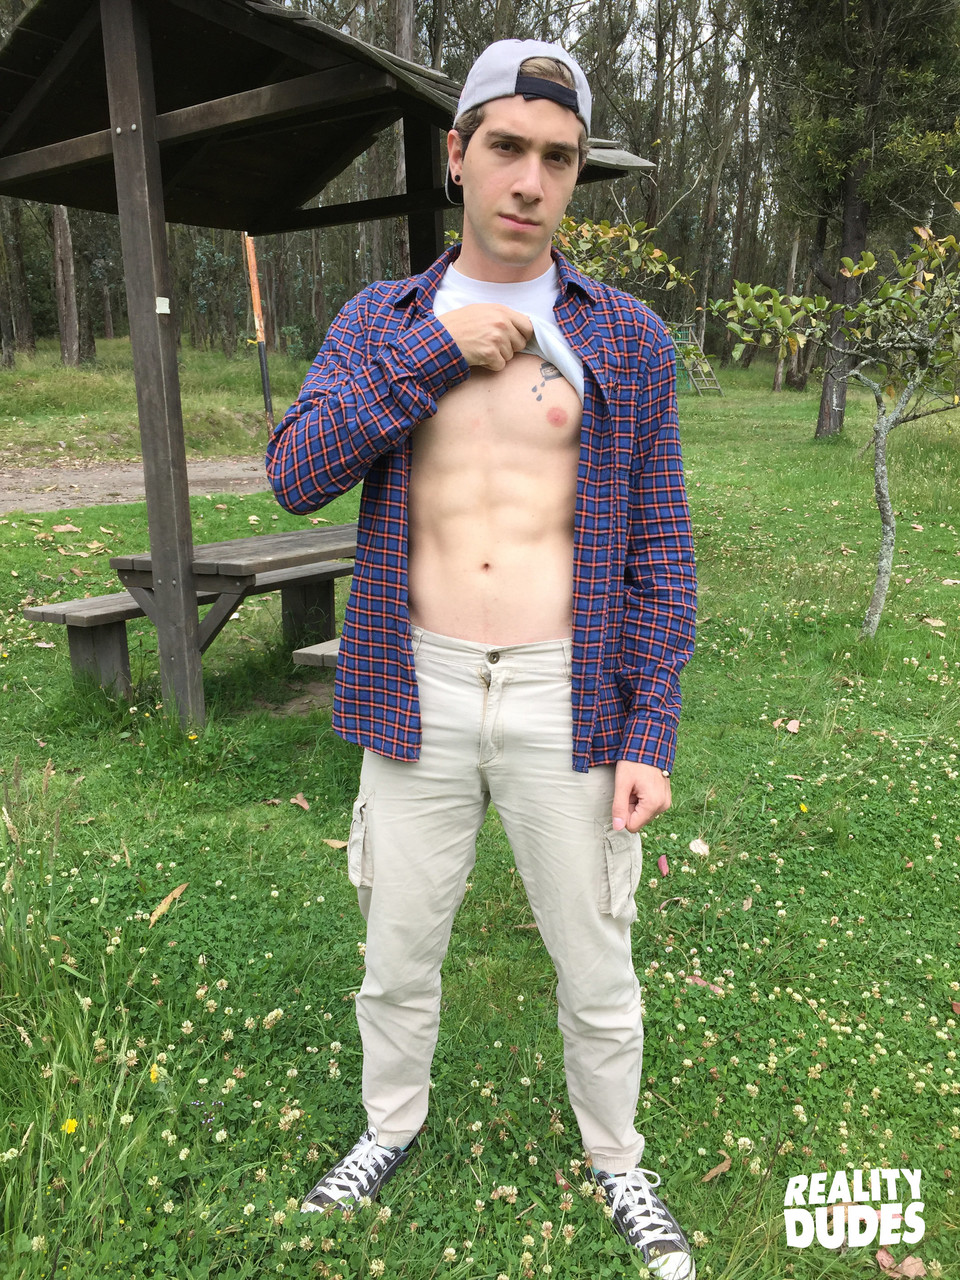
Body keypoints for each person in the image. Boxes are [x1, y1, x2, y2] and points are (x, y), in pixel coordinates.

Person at [266, 37, 697, 1280]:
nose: (530, 179)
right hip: (420, 685)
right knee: (397, 949)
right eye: (507, 147)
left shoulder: (628, 339)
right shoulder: (384, 320)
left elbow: (661, 550)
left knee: (597, 958)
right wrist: (439, 357)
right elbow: (296, 472)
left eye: (558, 158)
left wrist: (649, 728)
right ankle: (387, 1126)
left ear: (575, 175)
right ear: (457, 155)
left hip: (571, 693)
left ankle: (617, 1157)